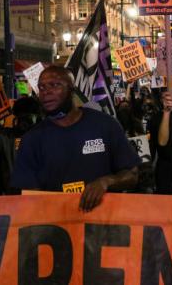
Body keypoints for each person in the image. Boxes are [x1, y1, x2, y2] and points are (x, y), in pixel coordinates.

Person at [11, 66, 139, 210]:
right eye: (41, 87)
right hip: (56, 228)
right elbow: (28, 194)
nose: (46, 91)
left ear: (72, 89)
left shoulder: (105, 125)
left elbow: (132, 175)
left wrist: (106, 182)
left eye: (54, 85)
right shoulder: (31, 139)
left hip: (103, 227)